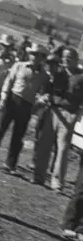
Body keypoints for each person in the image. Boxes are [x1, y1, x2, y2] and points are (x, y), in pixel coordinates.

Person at [0, 44, 51, 174]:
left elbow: (45, 92)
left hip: (27, 105)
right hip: (12, 99)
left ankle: (10, 164)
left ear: (42, 58)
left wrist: (41, 100)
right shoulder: (19, 66)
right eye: (32, 54)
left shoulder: (44, 76)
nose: (34, 57)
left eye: (37, 55)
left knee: (18, 136)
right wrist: (3, 98)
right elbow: (9, 81)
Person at [39, 48, 83, 192]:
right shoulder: (57, 73)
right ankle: (39, 176)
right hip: (54, 110)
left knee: (63, 149)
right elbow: (47, 88)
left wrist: (78, 113)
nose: (66, 60)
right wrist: (45, 96)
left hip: (69, 113)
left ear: (76, 59)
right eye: (64, 57)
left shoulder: (81, 76)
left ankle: (57, 182)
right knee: (45, 144)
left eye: (69, 57)